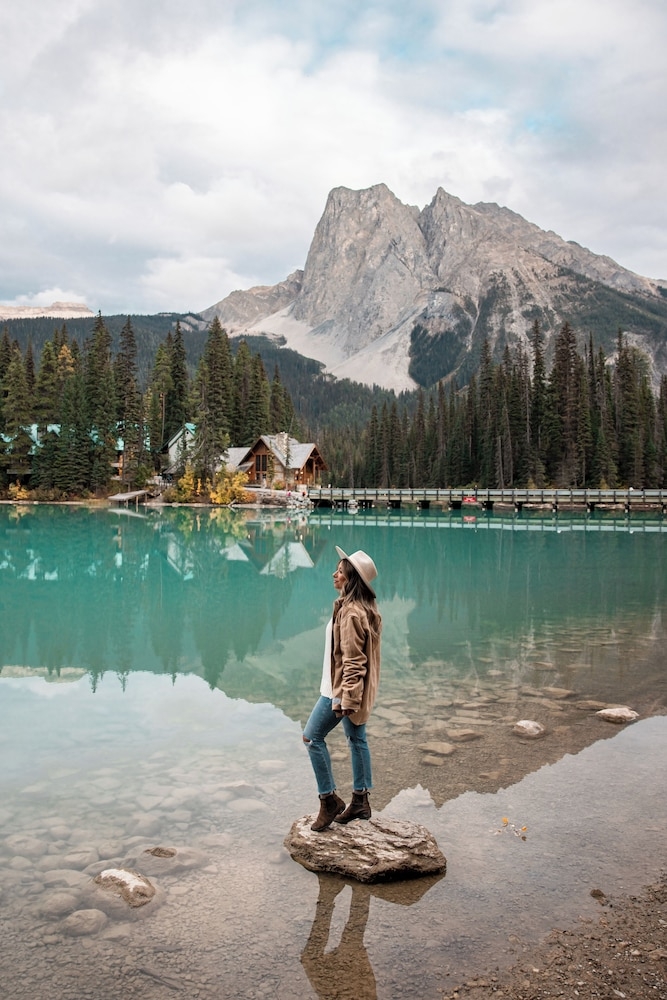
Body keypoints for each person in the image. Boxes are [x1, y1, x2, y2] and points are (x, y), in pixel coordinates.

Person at [302, 546, 382, 831]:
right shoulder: (363, 608)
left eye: (339, 571)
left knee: (312, 738)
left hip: (339, 690)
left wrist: (348, 698)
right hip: (353, 689)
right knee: (357, 739)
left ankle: (328, 800)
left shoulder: (350, 613)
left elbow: (354, 661)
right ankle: (360, 800)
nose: (334, 575)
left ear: (351, 579)